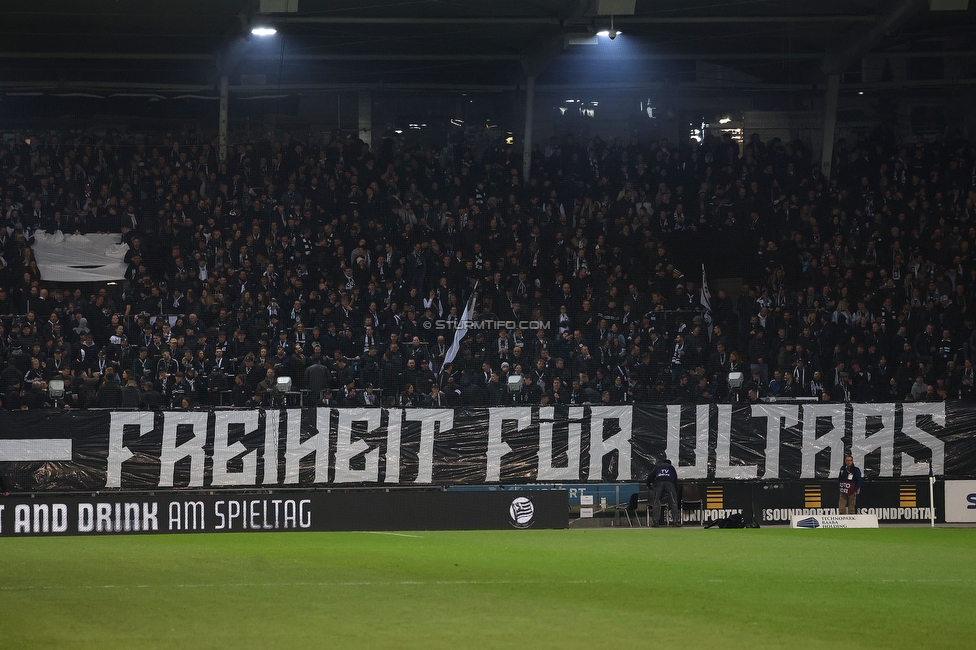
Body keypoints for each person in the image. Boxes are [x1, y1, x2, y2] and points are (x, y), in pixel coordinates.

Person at [647, 457, 680, 527]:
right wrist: (675, 491)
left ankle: (656, 522)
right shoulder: (671, 467)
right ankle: (675, 522)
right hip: (669, 482)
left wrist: (649, 485)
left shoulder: (658, 466)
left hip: (659, 482)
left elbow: (650, 476)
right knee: (674, 502)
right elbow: (675, 479)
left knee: (656, 502)